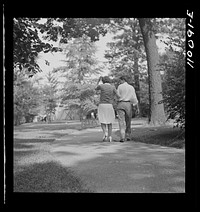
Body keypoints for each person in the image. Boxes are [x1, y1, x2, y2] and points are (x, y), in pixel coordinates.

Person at [95, 76, 119, 142]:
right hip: (109, 105)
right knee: (109, 121)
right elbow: (118, 95)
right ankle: (110, 136)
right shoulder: (112, 87)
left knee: (102, 120)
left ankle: (105, 133)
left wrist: (98, 81)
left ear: (103, 81)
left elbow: (95, 88)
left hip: (102, 105)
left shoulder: (101, 86)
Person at [116, 76, 139, 142]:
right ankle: (128, 135)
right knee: (128, 120)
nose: (119, 82)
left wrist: (117, 99)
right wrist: (135, 105)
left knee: (121, 120)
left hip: (121, 103)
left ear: (123, 80)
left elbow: (118, 95)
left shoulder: (120, 86)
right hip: (128, 104)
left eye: (120, 80)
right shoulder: (131, 87)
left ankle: (122, 136)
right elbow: (134, 97)